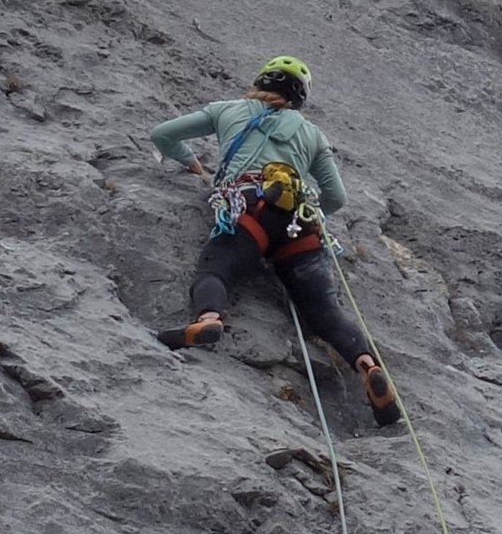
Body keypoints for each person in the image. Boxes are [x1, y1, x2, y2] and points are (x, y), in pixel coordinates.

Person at [150, 56, 402, 427]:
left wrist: (192, 164)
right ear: (299, 97)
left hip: (249, 210)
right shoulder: (312, 134)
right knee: (323, 309)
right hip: (300, 221)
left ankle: (208, 318)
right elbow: (336, 197)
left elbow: (163, 134)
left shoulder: (227, 109)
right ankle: (366, 363)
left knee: (217, 268)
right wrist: (311, 214)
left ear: (260, 82)